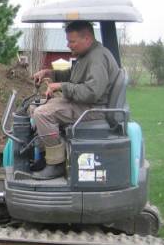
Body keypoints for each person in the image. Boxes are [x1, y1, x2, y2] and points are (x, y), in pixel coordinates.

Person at [30, 21, 119, 179]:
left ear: (87, 39)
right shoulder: (87, 55)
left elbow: (92, 92)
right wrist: (49, 73)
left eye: (72, 41)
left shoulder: (97, 58)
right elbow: (73, 76)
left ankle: (56, 164)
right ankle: (46, 156)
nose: (68, 45)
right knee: (33, 108)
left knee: (42, 113)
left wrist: (62, 87)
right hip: (83, 104)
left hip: (93, 109)